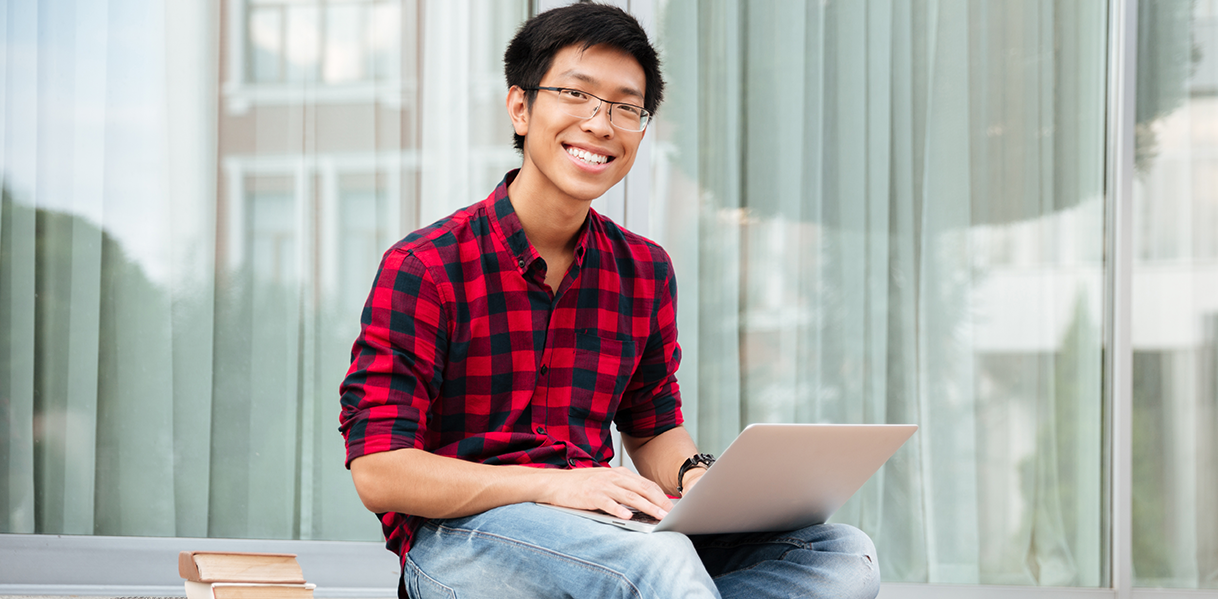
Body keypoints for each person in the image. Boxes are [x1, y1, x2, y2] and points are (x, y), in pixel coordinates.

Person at [338, 3, 880, 597]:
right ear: (520, 108)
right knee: (658, 562)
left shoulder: (643, 270)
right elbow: (380, 471)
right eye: (577, 94)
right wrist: (553, 486)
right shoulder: (427, 265)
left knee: (841, 555)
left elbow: (652, 432)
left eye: (627, 107)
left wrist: (698, 479)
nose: (601, 124)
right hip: (463, 541)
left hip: (610, 528)